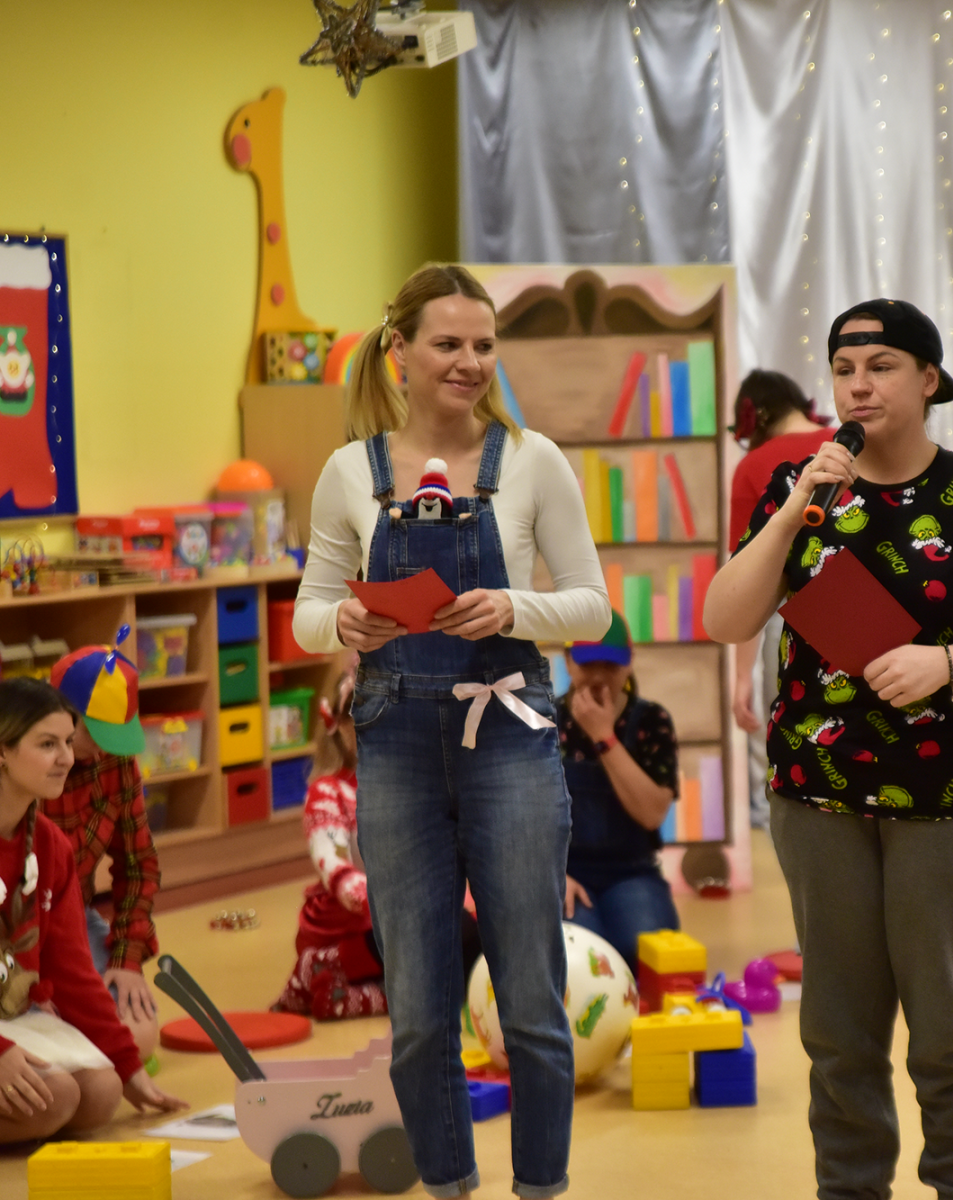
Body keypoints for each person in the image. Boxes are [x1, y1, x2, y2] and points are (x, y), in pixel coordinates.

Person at [704, 298, 953, 1200]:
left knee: (951, 1034)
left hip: (949, 801)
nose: (858, 386)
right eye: (843, 370)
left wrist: (948, 663)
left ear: (928, 379)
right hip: (816, 797)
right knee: (838, 1038)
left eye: (879, 367)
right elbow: (724, 618)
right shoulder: (801, 487)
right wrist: (794, 510)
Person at [294, 264, 611, 1199]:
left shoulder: (534, 461)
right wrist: (346, 624)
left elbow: (591, 607)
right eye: (448, 344)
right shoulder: (349, 472)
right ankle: (448, 1185)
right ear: (399, 352)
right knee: (421, 1014)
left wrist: (513, 608)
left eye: (483, 345)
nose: (470, 362)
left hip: (509, 737)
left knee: (532, 1004)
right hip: (394, 743)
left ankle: (540, 1187)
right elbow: (308, 615)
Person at [0, 678, 185, 1162]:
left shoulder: (50, 844)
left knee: (102, 1092)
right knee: (54, 1100)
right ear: (0, 751)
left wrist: (129, 1068)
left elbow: (72, 969)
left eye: (67, 742)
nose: (66, 758)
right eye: (47, 745)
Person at [0, 631, 165, 1062]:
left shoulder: (116, 762)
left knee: (137, 1038)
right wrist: (30, 982)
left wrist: (125, 959)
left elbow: (139, 864)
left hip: (67, 920)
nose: (104, 747)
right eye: (93, 732)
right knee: (38, 1052)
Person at [727, 369, 834, 829]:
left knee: (798, 738)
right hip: (879, 606)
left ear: (756, 416)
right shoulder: (847, 444)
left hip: (795, 615)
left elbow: (748, 585)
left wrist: (742, 678)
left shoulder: (754, 467)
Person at [556, 610, 682, 971]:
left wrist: (604, 737)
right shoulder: (544, 719)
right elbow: (523, 816)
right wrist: (551, 876)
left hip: (632, 871)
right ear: (568, 661)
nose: (598, 677)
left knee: (644, 953)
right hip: (563, 870)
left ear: (629, 663)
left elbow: (652, 814)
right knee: (582, 958)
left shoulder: (653, 720)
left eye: (610, 665)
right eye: (587, 664)